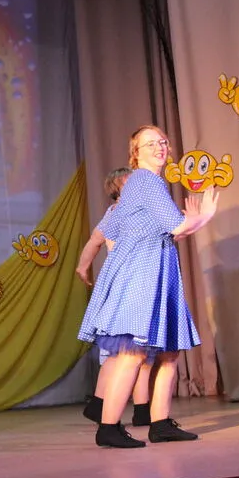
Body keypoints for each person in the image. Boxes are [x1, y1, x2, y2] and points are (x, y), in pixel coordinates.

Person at [78, 125, 218, 448]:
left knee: (168, 352)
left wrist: (192, 223)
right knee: (131, 352)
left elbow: (167, 231)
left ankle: (160, 423)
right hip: (141, 275)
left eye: (163, 142)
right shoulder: (146, 181)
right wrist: (205, 216)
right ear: (135, 154)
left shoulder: (142, 185)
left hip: (156, 271)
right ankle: (108, 428)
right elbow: (178, 226)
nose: (160, 147)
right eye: (151, 143)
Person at [77, 167, 153, 428]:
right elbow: (95, 240)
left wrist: (83, 266)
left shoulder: (127, 211)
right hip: (127, 285)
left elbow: (94, 241)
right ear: (118, 189)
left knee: (133, 352)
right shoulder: (120, 212)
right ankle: (123, 409)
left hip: (135, 282)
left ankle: (132, 408)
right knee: (132, 350)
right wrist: (82, 266)